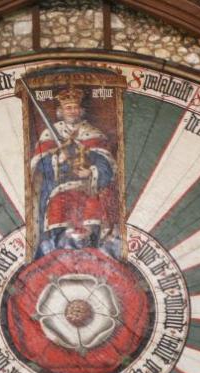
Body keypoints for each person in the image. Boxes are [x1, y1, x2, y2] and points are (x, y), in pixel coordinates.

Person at [30, 86, 119, 259]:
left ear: (81, 110)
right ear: (61, 111)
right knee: (57, 207)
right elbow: (39, 165)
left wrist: (90, 172)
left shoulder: (92, 133)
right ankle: (57, 256)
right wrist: (57, 159)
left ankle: (93, 255)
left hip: (88, 188)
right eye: (68, 107)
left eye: (75, 107)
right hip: (58, 189)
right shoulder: (51, 133)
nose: (72, 111)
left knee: (95, 207)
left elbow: (106, 164)